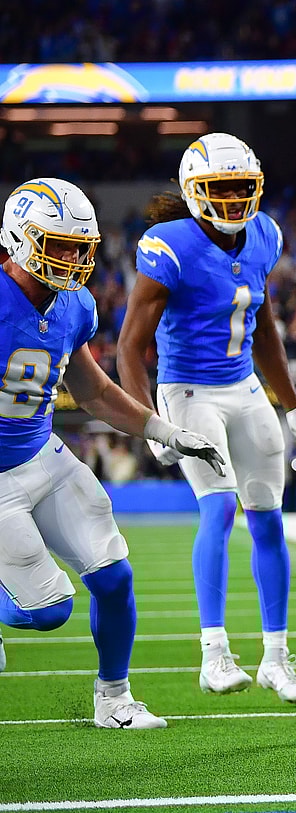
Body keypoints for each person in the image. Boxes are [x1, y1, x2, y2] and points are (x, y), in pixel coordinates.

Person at [0, 178, 225, 726]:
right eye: (59, 245)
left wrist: (167, 433)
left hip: (41, 454)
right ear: (19, 239)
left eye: (82, 247)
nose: (75, 260)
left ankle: (114, 698)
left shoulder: (75, 303)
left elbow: (95, 391)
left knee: (114, 575)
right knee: (46, 610)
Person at [116, 133, 296, 701]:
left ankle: (277, 659)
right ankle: (214, 653)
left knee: (269, 519)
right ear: (193, 191)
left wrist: (295, 406)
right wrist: (145, 419)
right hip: (188, 391)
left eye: (242, 189)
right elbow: (130, 345)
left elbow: (267, 329)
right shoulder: (169, 245)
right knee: (220, 506)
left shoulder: (264, 236)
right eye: (219, 190)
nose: (233, 202)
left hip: (246, 387)